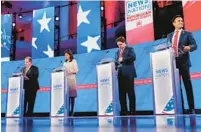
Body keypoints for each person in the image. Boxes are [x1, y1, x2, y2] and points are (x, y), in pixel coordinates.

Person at [167, 15, 197, 114]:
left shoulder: (187, 34)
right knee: (177, 87)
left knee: (187, 85)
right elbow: (168, 47)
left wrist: (189, 47)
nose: (181, 22)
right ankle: (181, 109)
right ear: (173, 23)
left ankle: (191, 108)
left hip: (184, 62)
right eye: (178, 21)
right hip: (173, 63)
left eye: (182, 20)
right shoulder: (169, 35)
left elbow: (194, 45)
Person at [115, 36, 137, 116]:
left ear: (124, 42)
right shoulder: (117, 52)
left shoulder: (130, 49)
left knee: (131, 93)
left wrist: (123, 59)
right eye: (118, 45)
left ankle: (132, 111)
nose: (119, 46)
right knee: (121, 94)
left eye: (120, 44)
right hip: (120, 75)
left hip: (128, 74)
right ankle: (124, 111)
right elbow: (116, 62)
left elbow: (133, 57)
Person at [63, 49, 78, 116]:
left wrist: (71, 71)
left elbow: (76, 70)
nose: (65, 56)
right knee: (67, 96)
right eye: (65, 55)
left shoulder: (74, 61)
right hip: (66, 80)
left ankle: (72, 111)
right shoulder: (64, 63)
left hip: (72, 79)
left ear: (70, 55)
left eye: (67, 55)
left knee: (72, 96)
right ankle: (68, 111)